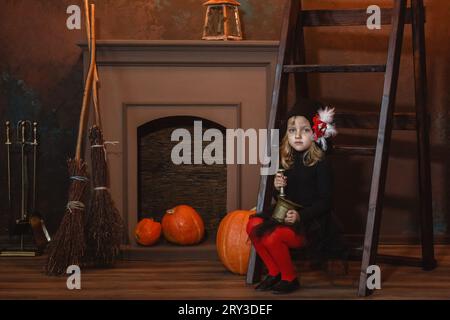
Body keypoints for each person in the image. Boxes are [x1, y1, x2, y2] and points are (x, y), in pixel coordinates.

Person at [246, 98, 347, 294]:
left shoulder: (321, 164)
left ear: (316, 133)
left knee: (273, 237)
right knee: (252, 226)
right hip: (286, 216)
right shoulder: (287, 159)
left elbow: (326, 202)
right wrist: (277, 187)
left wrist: (301, 216)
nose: (298, 135)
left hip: (311, 224)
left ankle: (289, 277)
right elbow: (282, 197)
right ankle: (274, 272)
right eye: (292, 130)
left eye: (305, 130)